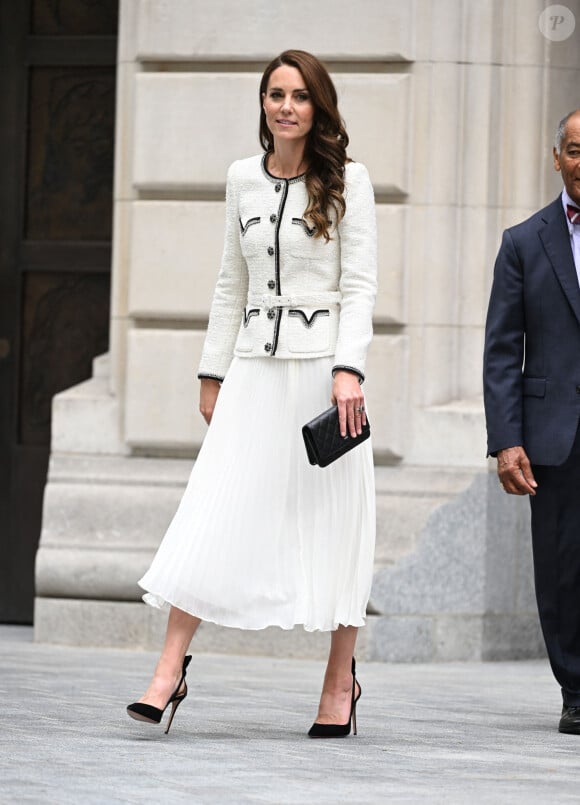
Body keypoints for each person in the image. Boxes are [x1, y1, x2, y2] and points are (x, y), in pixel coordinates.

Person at [126, 50, 377, 738]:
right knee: (214, 507)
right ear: (262, 103)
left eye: (299, 96)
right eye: (275, 94)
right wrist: (212, 372)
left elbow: (359, 286)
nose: (286, 106)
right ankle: (168, 669)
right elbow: (228, 283)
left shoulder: (350, 181)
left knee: (337, 520)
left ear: (318, 107)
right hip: (253, 371)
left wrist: (349, 367)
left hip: (327, 378)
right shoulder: (242, 178)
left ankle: (338, 680)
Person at [483, 109, 580, 735]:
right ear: (557, 158)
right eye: (575, 149)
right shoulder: (523, 242)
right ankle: (576, 687)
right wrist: (506, 441)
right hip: (555, 436)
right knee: (564, 565)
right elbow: (500, 349)